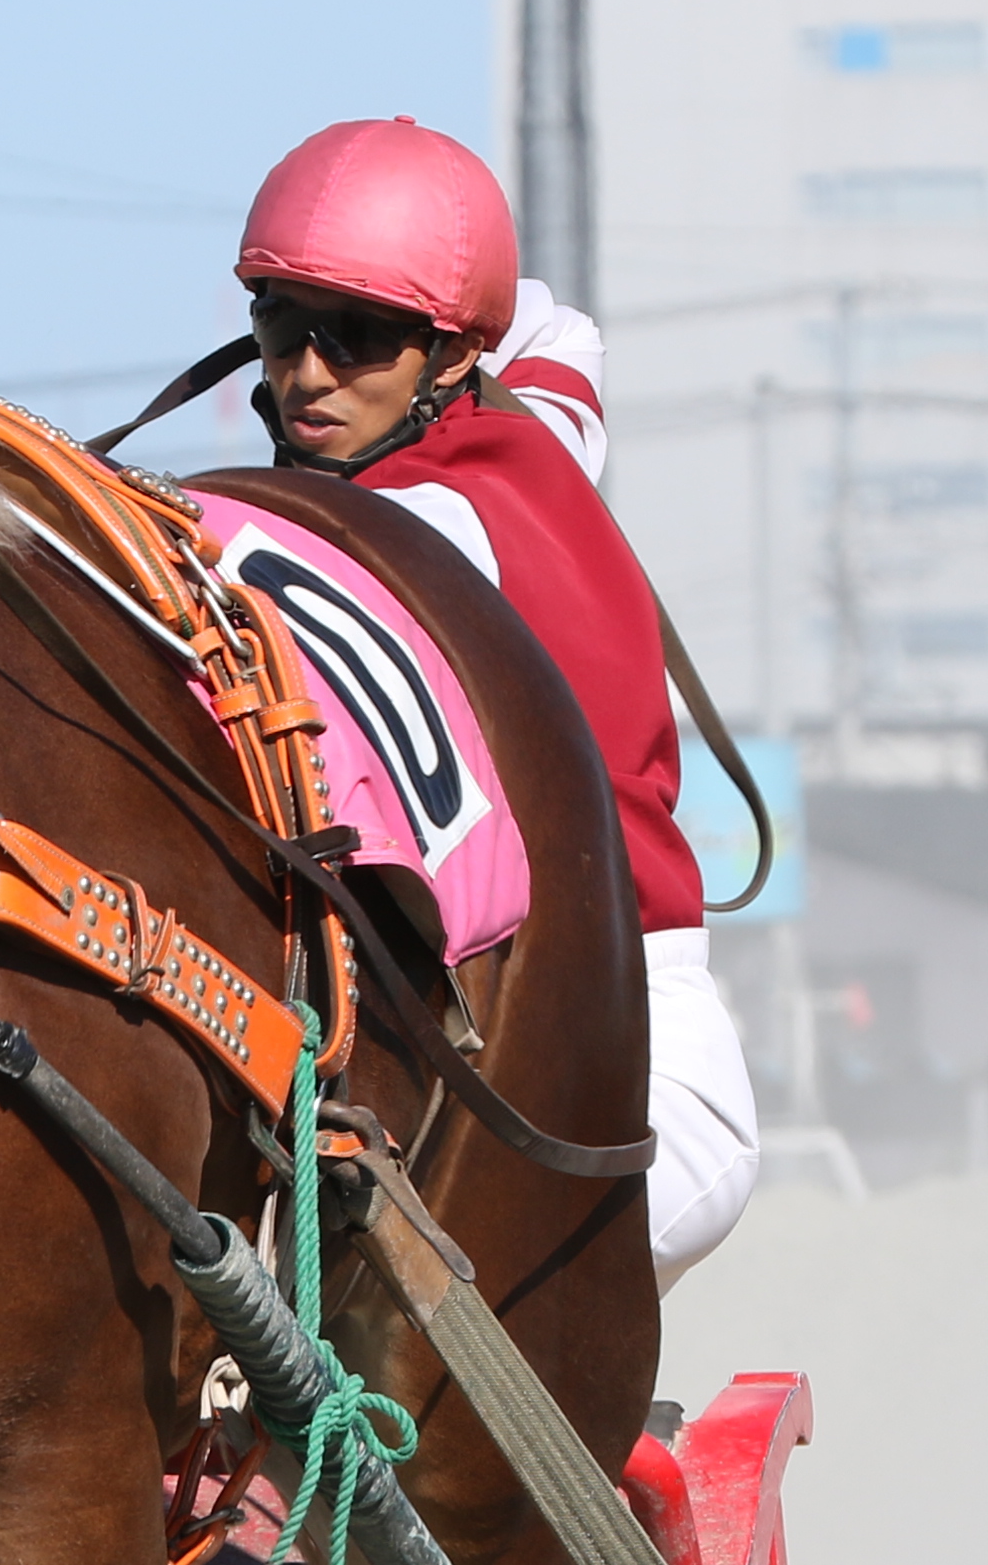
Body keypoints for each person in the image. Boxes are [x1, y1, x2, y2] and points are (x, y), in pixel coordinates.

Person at [223, 117, 764, 1280]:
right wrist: (400, 286)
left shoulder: (414, 532)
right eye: (280, 324)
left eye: (357, 338)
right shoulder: (544, 418)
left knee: (335, 1294)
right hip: (504, 1037)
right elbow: (552, 324)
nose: (307, 374)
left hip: (638, 1072)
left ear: (451, 355)